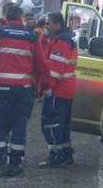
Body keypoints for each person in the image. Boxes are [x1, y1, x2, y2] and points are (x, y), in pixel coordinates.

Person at [0, 5, 52, 177]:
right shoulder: (32, 37)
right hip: (23, 90)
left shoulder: (0, 33)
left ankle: (1, 161)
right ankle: (16, 162)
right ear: (20, 17)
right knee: (20, 124)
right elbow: (41, 65)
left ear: (6, 16)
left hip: (0, 88)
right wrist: (44, 86)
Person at [39, 12, 78, 168]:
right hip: (65, 89)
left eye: (48, 24)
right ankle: (66, 152)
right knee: (62, 124)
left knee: (51, 123)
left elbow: (56, 68)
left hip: (58, 90)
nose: (45, 27)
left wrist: (47, 88)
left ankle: (57, 155)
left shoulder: (61, 41)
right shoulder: (61, 38)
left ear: (58, 25)